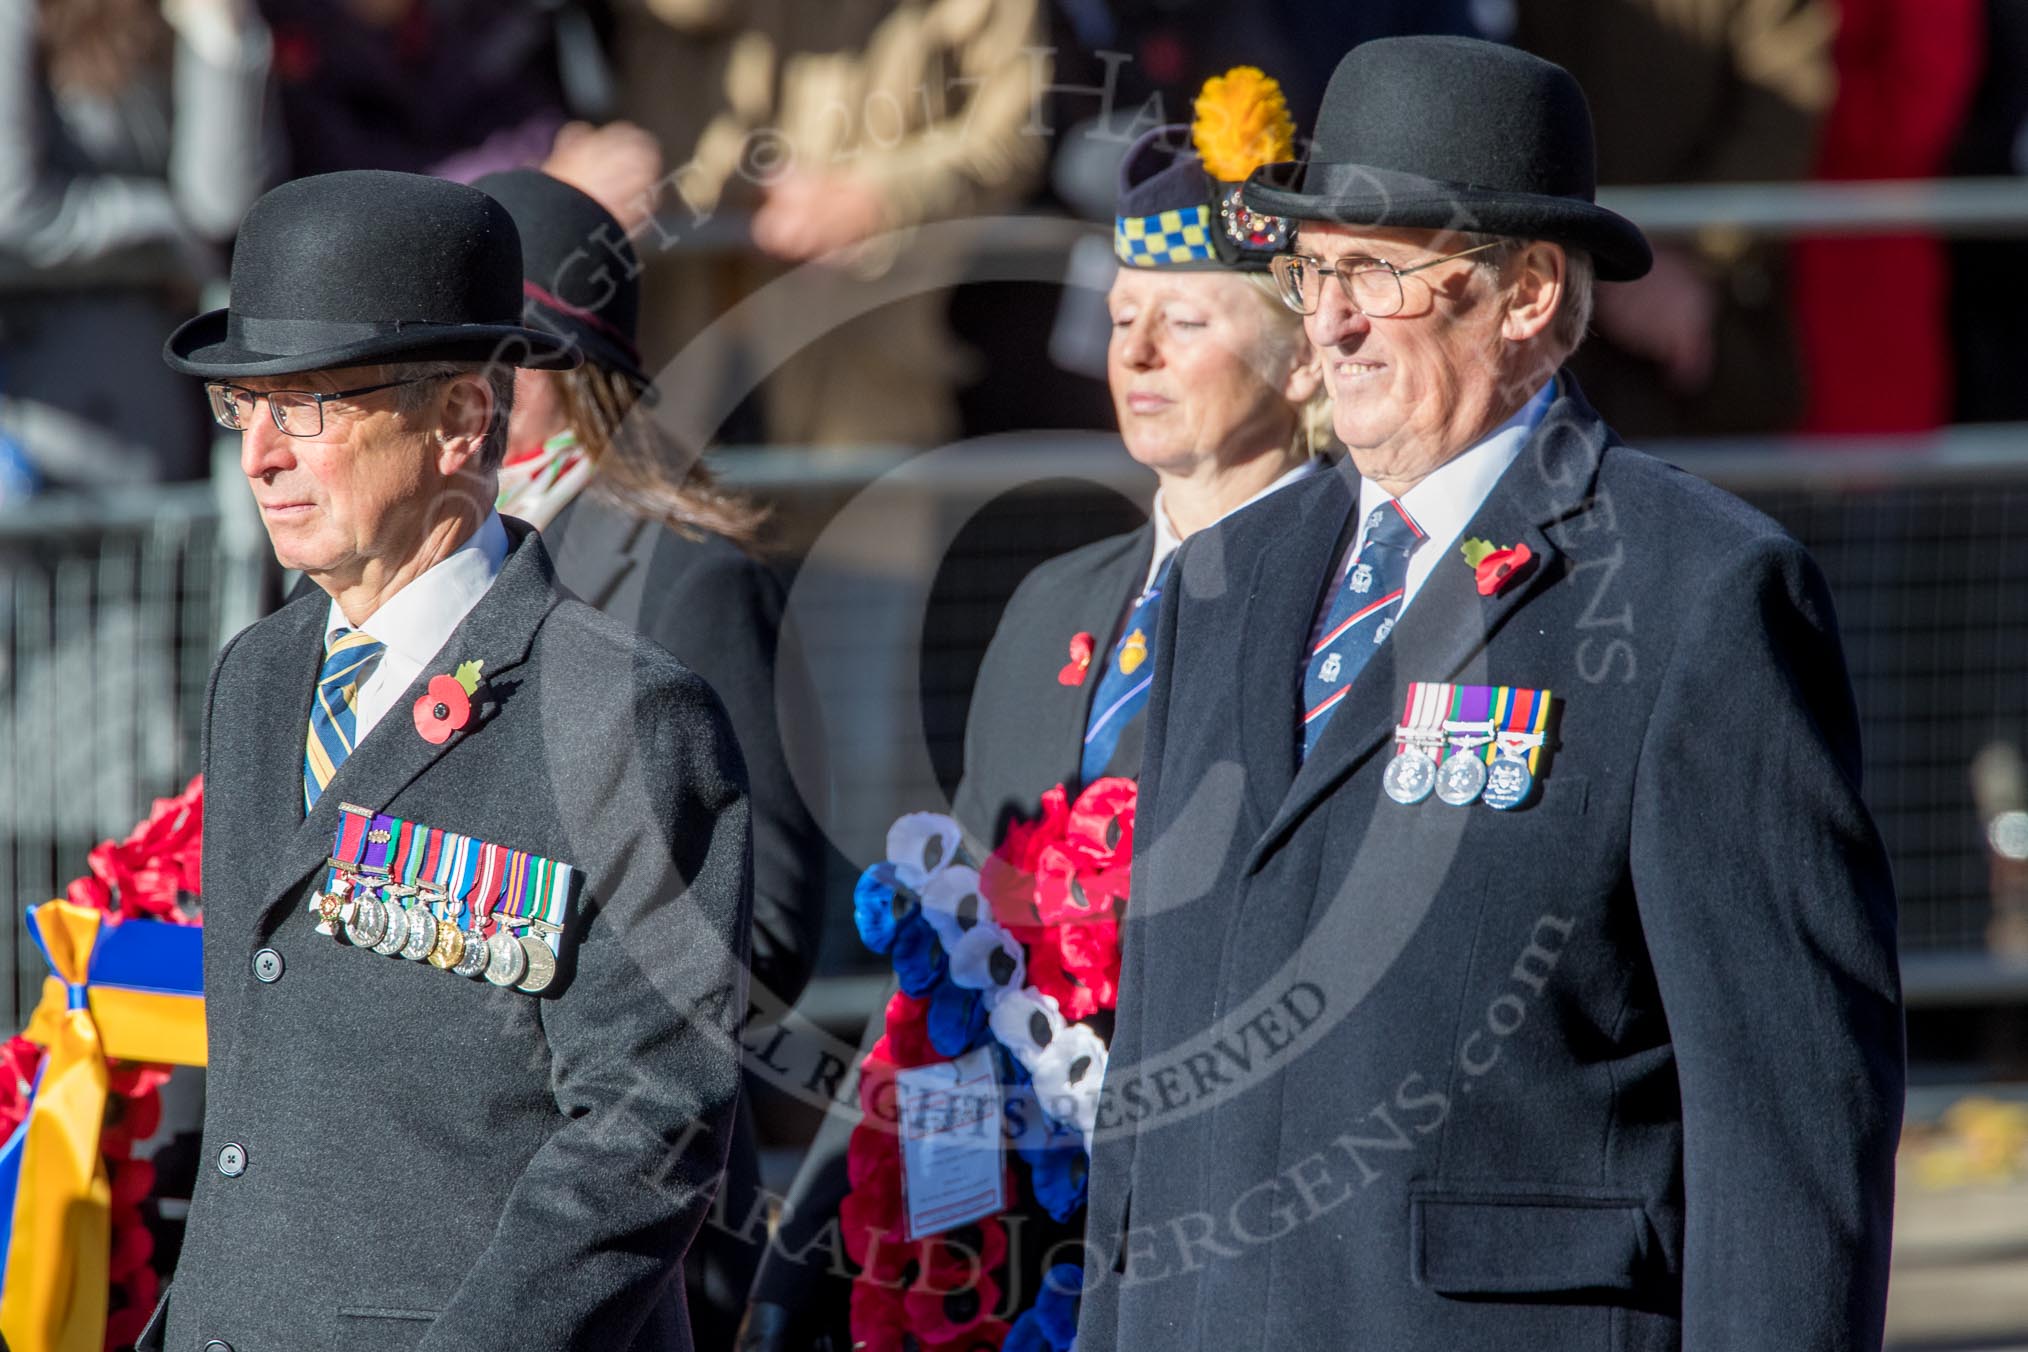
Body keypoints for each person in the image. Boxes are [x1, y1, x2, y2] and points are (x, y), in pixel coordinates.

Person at [1080, 36, 1903, 1352]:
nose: (1331, 321)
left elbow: (1787, 1128)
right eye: (1314, 272)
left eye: (1378, 273)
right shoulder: (1225, 579)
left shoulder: (1700, 593)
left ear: (1522, 293)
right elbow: (1154, 1070)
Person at [739, 68, 1328, 1352]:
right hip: (1026, 1257)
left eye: (1185, 316)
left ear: (1299, 350)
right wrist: (807, 1264)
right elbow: (948, 969)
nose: (1136, 349)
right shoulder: (1059, 598)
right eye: (1122, 314)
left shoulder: (1360, 607)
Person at [148, 169, 753, 1352]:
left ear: (465, 419)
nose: (260, 453)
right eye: (242, 405)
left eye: (310, 405)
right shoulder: (260, 675)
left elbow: (650, 1124)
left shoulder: (625, 713)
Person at [474, 164, 827, 1351]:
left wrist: (511, 951)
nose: (460, 391)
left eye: (494, 356)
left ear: (566, 375)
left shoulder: (689, 576)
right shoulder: (422, 574)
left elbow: (768, 921)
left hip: (634, 1211)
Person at [0, 0, 273, 486]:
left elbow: (221, 207)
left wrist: (221, 42)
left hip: (170, 407)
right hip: (42, 419)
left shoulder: (177, 15)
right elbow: (14, 209)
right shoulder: (21, 14)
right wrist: (168, 230)